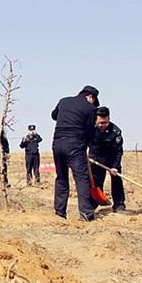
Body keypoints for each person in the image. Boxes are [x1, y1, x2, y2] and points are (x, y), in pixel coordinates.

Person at [51, 85, 98, 221]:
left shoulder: (64, 101)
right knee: (81, 179)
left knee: (61, 178)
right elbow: (90, 131)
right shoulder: (90, 108)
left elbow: (54, 115)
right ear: (90, 97)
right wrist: (86, 144)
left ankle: (60, 213)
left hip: (57, 143)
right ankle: (86, 214)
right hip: (75, 145)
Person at [89, 107, 125, 212]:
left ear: (109, 119)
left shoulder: (115, 131)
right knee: (96, 181)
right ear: (96, 120)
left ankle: (119, 204)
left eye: (105, 123)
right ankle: (94, 204)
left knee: (117, 179)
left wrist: (114, 166)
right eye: (100, 123)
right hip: (96, 158)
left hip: (111, 158)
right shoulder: (90, 128)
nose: (102, 125)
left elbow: (118, 151)